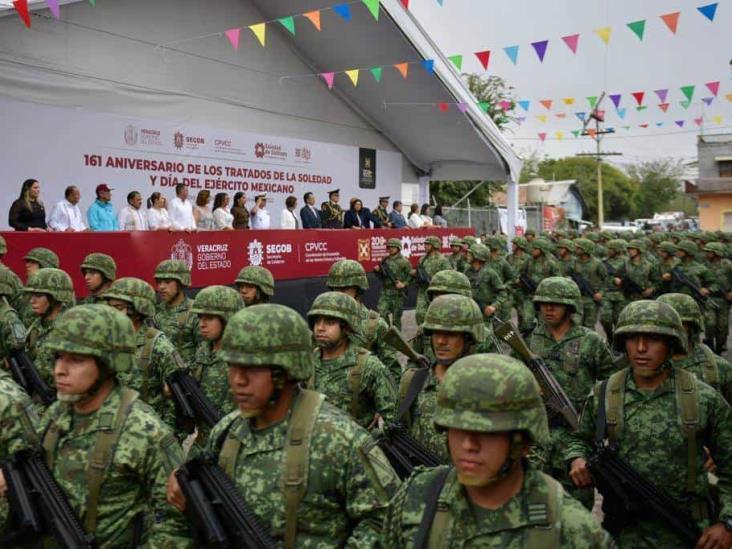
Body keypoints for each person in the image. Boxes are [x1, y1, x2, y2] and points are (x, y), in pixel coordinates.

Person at [167, 304, 400, 547]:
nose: (237, 380)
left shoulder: (339, 439)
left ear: (284, 372)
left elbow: (385, 521)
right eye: (232, 366)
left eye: (251, 369)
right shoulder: (227, 432)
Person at [383, 353, 613, 548]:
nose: (468, 445)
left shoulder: (572, 530)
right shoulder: (416, 497)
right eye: (458, 428)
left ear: (522, 441)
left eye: (488, 433)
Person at [566, 300, 732, 548]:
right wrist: (577, 458)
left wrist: (727, 523)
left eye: (652, 339)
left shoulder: (703, 398)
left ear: (671, 343)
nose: (641, 348)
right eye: (633, 338)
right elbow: (581, 438)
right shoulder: (604, 394)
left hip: (688, 532)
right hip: (623, 531)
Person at [40, 305, 192, 546]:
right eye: (58, 357)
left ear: (108, 364)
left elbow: (176, 525)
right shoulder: (55, 415)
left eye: (76, 360)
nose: (60, 370)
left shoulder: (144, 430)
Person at [527, 277, 614, 508]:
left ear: (570, 307)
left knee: (578, 509)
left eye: (555, 303)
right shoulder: (528, 341)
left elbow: (612, 385)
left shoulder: (591, 341)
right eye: (543, 303)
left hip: (576, 441)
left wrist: (598, 425)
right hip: (537, 440)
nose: (548, 308)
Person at [397, 294, 487, 462]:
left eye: (450, 334)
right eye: (435, 333)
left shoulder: (489, 386)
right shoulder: (412, 382)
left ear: (469, 338)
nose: (440, 341)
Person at [103, 277, 186, 424]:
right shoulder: (107, 341)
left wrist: (165, 435)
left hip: (148, 431)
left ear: (137, 309)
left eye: (118, 308)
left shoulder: (158, 345)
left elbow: (179, 399)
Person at [308, 292, 397, 428]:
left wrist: (371, 441)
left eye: (329, 322)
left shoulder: (369, 367)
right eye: (316, 322)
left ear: (346, 328)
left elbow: (395, 422)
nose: (320, 328)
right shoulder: (306, 364)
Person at [325, 259, 401, 385]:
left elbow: (393, 372)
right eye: (335, 289)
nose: (339, 294)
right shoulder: (322, 323)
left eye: (344, 289)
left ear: (358, 289)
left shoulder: (376, 325)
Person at [189, 285, 243, 441]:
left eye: (209, 318)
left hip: (231, 440)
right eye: (200, 317)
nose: (202, 324)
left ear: (228, 319)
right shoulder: (203, 350)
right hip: (203, 439)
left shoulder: (241, 357)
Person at [657, 292, 732, 404]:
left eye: (679, 325)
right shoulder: (637, 366)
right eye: (663, 325)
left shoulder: (719, 369)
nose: (670, 332)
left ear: (692, 328)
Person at [23, 268, 75, 390]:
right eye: (32, 295)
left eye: (38, 296)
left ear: (55, 298)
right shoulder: (36, 325)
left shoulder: (69, 329)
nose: (32, 301)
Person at [153, 259, 200, 366]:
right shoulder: (155, 312)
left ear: (181, 282)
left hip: (186, 376)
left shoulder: (195, 311)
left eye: (167, 282)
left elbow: (204, 351)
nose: (161, 287)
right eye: (159, 282)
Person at [464, 243, 508, 328]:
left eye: (470, 254)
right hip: (470, 312)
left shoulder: (490, 273)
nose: (467, 255)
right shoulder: (467, 272)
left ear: (477, 256)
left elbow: (503, 293)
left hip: (484, 314)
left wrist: (493, 306)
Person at [699, 242, 732, 354]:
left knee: (722, 326)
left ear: (716, 253)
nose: (707, 253)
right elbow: (698, 280)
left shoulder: (728, 265)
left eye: (709, 251)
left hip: (724, 299)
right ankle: (709, 345)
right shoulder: (704, 265)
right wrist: (702, 288)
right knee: (710, 324)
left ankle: (719, 347)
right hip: (709, 298)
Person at [374, 238, 412, 329]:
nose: (390, 248)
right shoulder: (385, 260)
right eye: (389, 247)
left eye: (393, 247)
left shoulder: (404, 262)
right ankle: (386, 333)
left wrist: (404, 284)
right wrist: (377, 271)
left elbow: (412, 276)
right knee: (381, 313)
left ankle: (396, 339)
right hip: (385, 292)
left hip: (397, 294)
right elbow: (381, 277)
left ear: (398, 248)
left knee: (396, 319)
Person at [413, 235, 451, 325]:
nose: (425, 246)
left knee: (437, 316)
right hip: (423, 291)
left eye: (428, 244)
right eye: (425, 244)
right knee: (420, 314)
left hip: (437, 292)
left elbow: (448, 276)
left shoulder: (443, 260)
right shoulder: (422, 259)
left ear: (434, 245)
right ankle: (422, 335)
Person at [571, 237, 607, 329]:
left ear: (585, 249)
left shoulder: (597, 263)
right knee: (575, 324)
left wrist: (601, 293)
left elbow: (606, 280)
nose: (576, 250)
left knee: (589, 326)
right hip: (577, 298)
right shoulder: (574, 262)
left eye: (579, 248)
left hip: (591, 299)